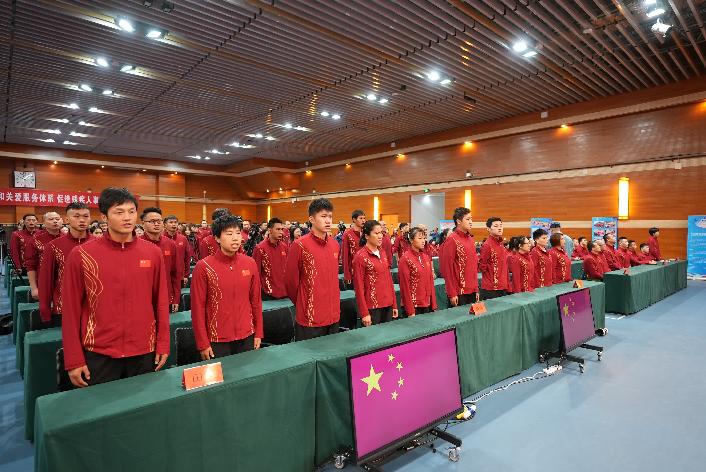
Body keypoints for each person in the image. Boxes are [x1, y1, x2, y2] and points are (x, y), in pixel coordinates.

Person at [62, 188, 169, 388]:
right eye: (119, 212)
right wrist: (74, 359)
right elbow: (70, 310)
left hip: (144, 349)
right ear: (104, 217)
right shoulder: (82, 255)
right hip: (99, 351)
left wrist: (163, 343)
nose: (127, 218)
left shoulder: (153, 253)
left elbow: (161, 301)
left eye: (131, 211)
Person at [190, 216, 262, 360]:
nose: (235, 238)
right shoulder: (204, 267)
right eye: (229, 234)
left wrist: (258, 332)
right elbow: (198, 308)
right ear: (217, 238)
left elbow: (256, 301)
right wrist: (203, 343)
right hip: (217, 339)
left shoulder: (250, 263)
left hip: (247, 335)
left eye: (238, 233)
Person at [285, 198, 340, 341]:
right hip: (310, 317)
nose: (328, 220)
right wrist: (303, 302)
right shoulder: (299, 245)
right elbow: (290, 282)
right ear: (312, 219)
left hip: (333, 315)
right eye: (323, 216)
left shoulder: (335, 245)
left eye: (330, 216)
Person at [38, 203, 93, 327]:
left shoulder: (99, 244)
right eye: (76, 216)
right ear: (67, 219)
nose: (82, 220)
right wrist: (45, 310)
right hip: (64, 307)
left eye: (85, 216)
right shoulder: (53, 246)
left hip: (94, 306)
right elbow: (46, 281)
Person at [352, 220, 398, 326]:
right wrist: (364, 313)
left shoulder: (382, 253)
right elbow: (358, 287)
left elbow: (389, 281)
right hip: (372, 307)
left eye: (381, 233)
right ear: (367, 236)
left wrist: (394, 304)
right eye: (376, 233)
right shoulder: (360, 257)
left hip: (388, 304)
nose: (380, 236)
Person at [140, 208, 182, 313]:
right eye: (152, 221)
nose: (156, 224)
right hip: (143, 299)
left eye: (159, 221)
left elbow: (176, 273)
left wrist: (176, 298)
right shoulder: (137, 244)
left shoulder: (170, 244)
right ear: (143, 224)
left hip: (166, 297)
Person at [440, 207, 479, 307]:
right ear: (458, 221)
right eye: (468, 219)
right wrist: (452, 293)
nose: (471, 222)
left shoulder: (471, 239)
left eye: (471, 219)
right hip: (459, 292)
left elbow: (474, 267)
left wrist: (476, 289)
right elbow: (447, 269)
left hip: (472, 290)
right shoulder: (452, 239)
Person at [398, 227, 437, 316]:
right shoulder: (405, 259)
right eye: (420, 238)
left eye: (424, 238)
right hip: (413, 306)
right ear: (411, 240)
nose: (423, 241)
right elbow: (404, 286)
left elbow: (430, 281)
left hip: (427, 304)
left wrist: (433, 304)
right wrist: (410, 310)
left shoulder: (425, 257)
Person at [26, 211, 63, 300]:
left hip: (65, 282)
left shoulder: (67, 238)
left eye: (57, 219)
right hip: (44, 281)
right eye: (51, 219)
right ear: (44, 223)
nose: (55, 221)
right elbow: (31, 266)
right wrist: (34, 288)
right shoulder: (36, 240)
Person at [253, 217, 288, 299]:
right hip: (267, 294)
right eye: (278, 229)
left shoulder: (284, 247)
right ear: (270, 230)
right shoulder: (260, 248)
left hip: (285, 293)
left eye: (282, 229)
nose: (281, 232)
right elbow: (256, 273)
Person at [479, 217, 509, 300]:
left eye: (501, 226)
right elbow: (482, 266)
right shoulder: (487, 245)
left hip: (502, 286)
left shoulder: (501, 244)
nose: (499, 228)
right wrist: (492, 276)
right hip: (491, 288)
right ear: (488, 229)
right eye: (496, 226)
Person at [164, 215, 191, 287]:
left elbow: (187, 258)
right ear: (165, 225)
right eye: (171, 222)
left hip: (180, 275)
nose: (174, 224)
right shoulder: (161, 239)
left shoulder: (183, 239)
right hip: (165, 275)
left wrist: (186, 275)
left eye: (175, 222)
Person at [342, 210, 366, 287]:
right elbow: (345, 255)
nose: (363, 220)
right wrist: (347, 274)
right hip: (354, 270)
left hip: (366, 268)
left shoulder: (366, 233)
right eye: (361, 218)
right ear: (354, 219)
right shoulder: (347, 234)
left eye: (364, 218)